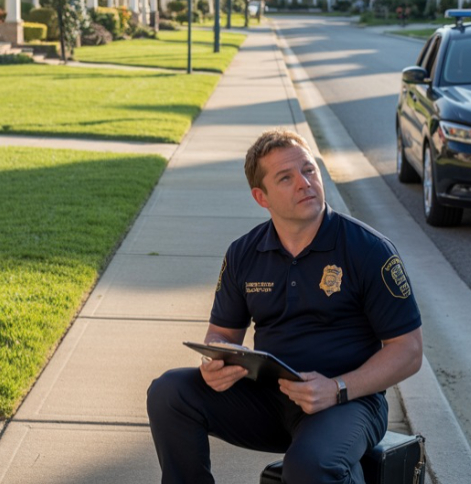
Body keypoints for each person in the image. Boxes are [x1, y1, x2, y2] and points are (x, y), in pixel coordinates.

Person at [147, 130, 423, 484]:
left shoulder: (368, 250)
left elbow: (409, 351)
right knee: (169, 392)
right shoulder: (243, 253)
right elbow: (221, 334)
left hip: (349, 402)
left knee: (310, 465)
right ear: (261, 197)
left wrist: (337, 388)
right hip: (271, 399)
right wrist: (213, 362)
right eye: (286, 178)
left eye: (309, 171)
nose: (304, 183)